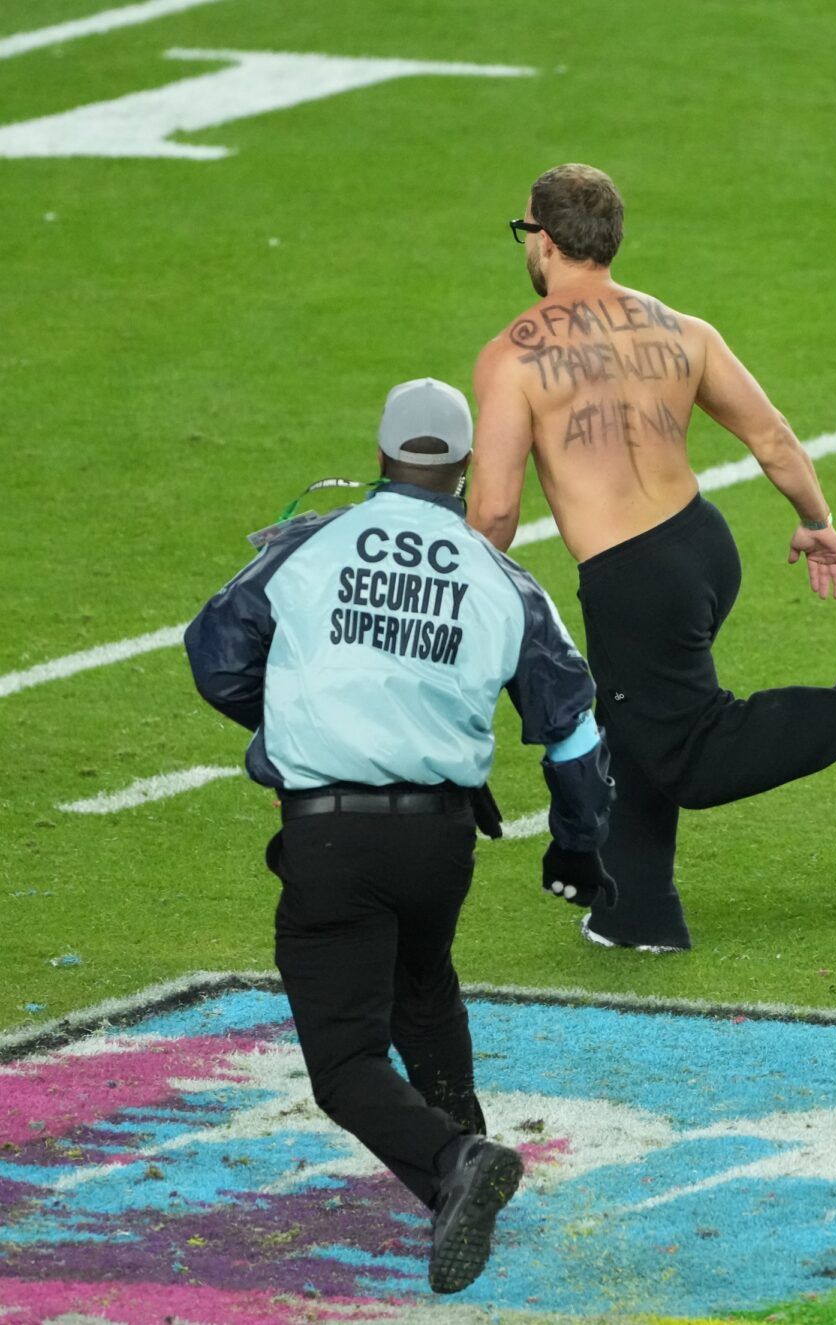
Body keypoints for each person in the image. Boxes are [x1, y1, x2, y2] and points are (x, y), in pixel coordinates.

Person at [184, 378, 618, 1293]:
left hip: (331, 840)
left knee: (345, 1063)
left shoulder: (310, 545)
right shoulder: (502, 575)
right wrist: (577, 843)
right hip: (441, 841)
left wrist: (295, 725)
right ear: (463, 469)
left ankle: (456, 1159)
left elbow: (214, 654)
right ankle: (470, 1157)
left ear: (380, 456)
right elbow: (574, 727)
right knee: (422, 988)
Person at [468, 162, 836, 952]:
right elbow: (772, 436)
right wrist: (816, 520)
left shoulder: (513, 358)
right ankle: (638, 911)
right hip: (701, 544)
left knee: (685, 753)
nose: (524, 245)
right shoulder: (683, 329)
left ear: (549, 242)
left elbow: (492, 510)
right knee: (630, 719)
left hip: (634, 577)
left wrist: (454, 587)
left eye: (524, 231)